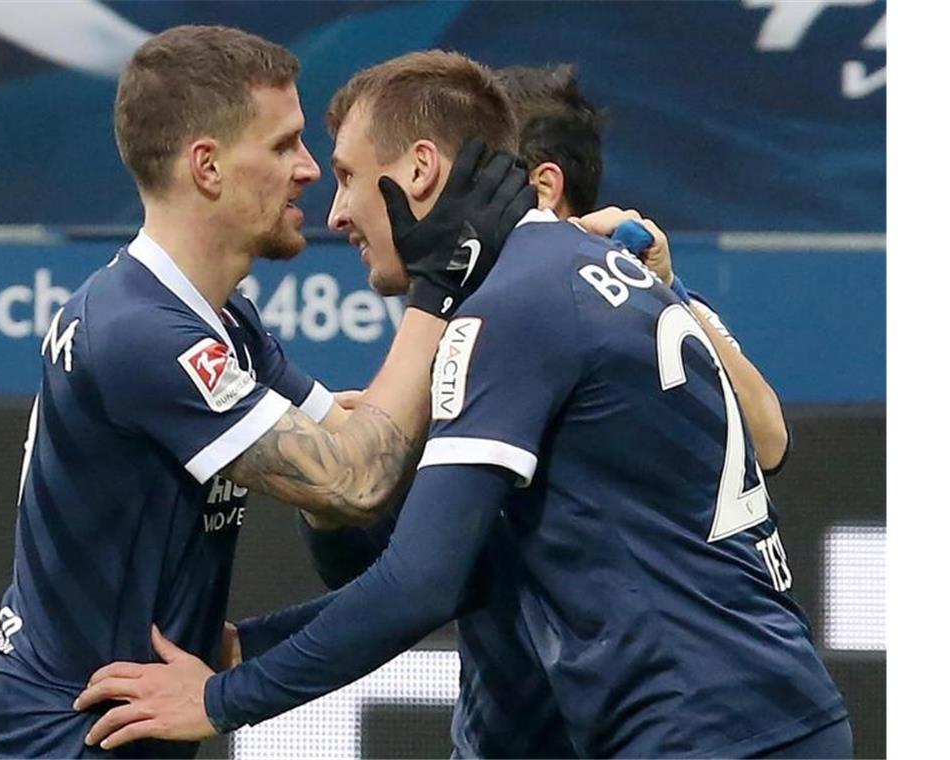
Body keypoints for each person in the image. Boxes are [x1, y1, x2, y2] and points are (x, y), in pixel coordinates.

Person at [74, 51, 852, 758]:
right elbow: (478, 571)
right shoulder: (587, 272)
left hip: (704, 734)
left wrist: (220, 700)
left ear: (419, 171)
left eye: (346, 175)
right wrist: (256, 647)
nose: (335, 211)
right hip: (761, 716)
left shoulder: (510, 308)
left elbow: (421, 581)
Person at [0, 27, 533, 758]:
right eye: (284, 146)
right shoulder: (141, 333)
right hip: (51, 742)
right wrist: (443, 283)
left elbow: (348, 434)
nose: (310, 171)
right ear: (208, 167)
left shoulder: (223, 322)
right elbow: (353, 479)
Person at [248, 63, 794, 759]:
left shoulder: (608, 310)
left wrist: (670, 286)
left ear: (538, 186)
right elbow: (396, 567)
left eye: (486, 174)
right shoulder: (471, 323)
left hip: (658, 726)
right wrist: (329, 498)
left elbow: (770, 440)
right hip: (520, 733)